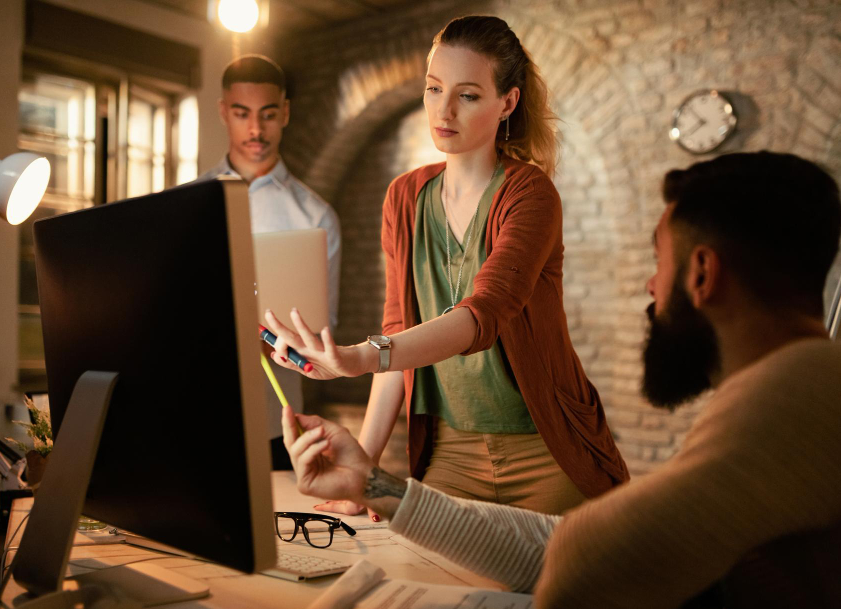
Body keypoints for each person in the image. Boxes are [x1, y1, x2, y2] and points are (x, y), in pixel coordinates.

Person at [279, 151, 841, 609]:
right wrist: (375, 486)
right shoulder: (819, 381)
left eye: (657, 262)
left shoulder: (799, 396)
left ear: (702, 274)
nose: (650, 286)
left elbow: (577, 593)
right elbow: (571, 544)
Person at [263, 16, 628, 516]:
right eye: (434, 89)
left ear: (508, 103)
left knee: (562, 569)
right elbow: (397, 335)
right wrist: (362, 470)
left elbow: (483, 314)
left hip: (546, 450)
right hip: (450, 456)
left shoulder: (530, 193)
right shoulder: (404, 197)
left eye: (468, 95)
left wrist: (360, 357)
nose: (444, 109)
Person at [201, 54, 341, 470]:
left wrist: (263, 334)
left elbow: (321, 335)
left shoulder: (316, 217)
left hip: (273, 426)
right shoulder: (187, 203)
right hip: (196, 415)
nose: (256, 130)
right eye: (242, 114)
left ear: (285, 113)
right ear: (223, 112)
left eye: (267, 114)